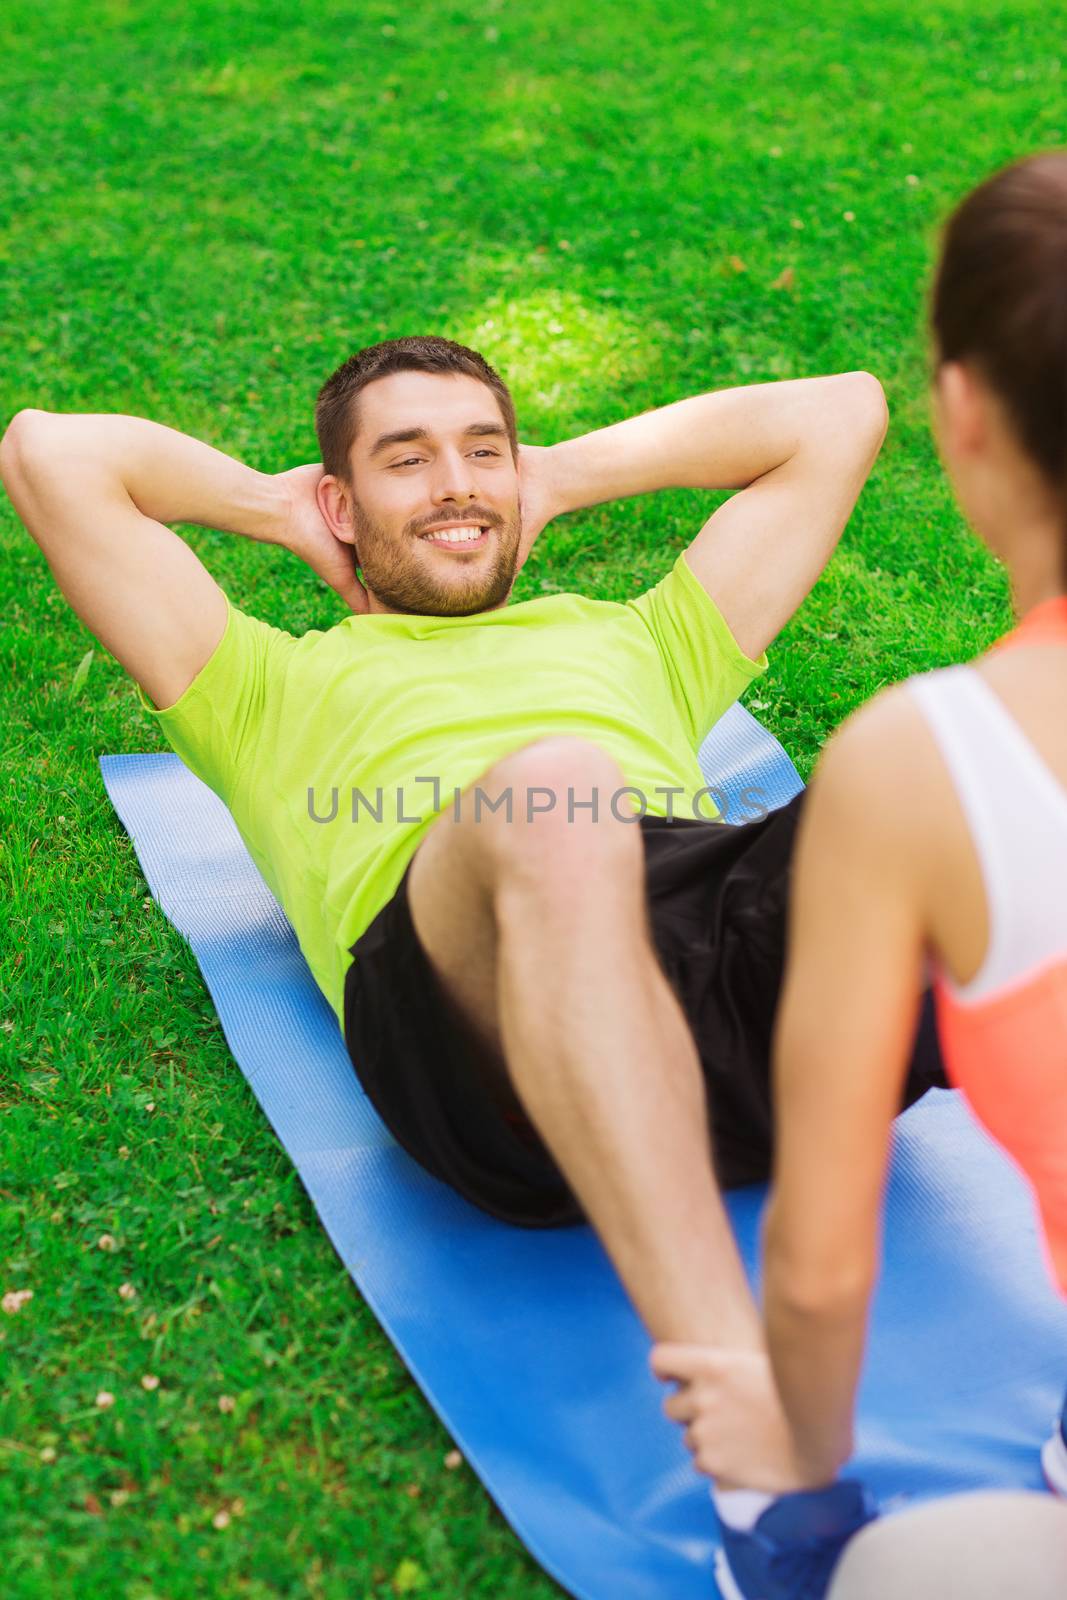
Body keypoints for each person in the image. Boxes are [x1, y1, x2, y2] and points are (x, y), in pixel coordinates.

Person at [0, 337, 946, 1463]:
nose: (454, 481)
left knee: (955, 753)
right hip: (473, 1022)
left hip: (722, 984)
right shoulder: (260, 684)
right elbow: (48, 454)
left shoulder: (642, 639)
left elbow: (837, 410)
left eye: (480, 452)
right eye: (407, 460)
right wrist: (280, 507)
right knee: (554, 785)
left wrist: (553, 475)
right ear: (341, 502)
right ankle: (742, 1406)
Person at [651, 151, 1067, 1600]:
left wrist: (791, 1462)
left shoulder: (927, 762)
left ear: (960, 415)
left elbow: (820, 1271)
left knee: (877, 1569)